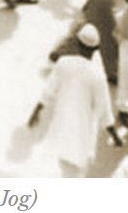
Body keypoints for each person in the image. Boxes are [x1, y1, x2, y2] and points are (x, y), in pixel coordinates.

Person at [28, 23, 123, 176]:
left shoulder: (63, 63)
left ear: (77, 44)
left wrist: (36, 112)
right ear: (96, 50)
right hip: (83, 132)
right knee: (75, 172)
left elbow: (49, 91)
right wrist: (114, 136)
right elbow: (104, 108)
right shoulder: (97, 75)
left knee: (61, 163)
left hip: (62, 124)